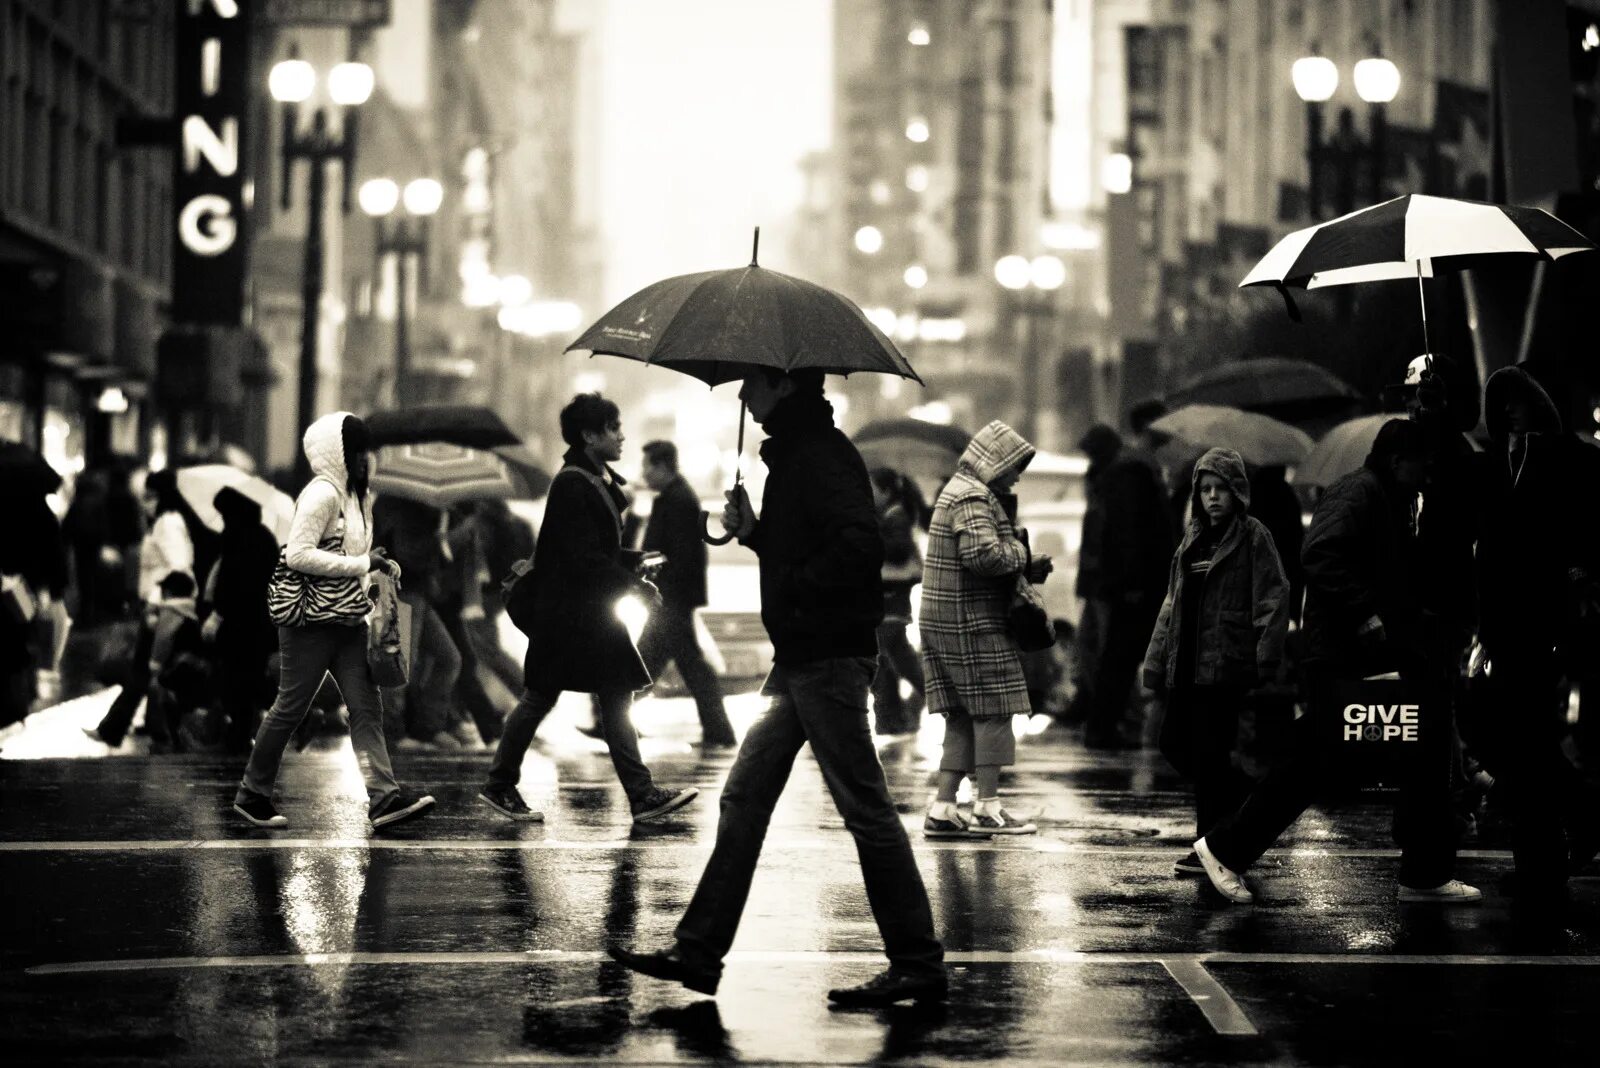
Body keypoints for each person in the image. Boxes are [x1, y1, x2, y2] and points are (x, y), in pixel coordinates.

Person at [608, 368, 946, 1007]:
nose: (742, 396)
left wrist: (794, 587)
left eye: (752, 386)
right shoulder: (796, 455)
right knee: (742, 797)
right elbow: (804, 545)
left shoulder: (822, 457)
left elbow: (856, 547)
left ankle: (918, 961)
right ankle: (699, 951)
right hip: (800, 658)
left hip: (825, 656)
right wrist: (755, 530)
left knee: (865, 810)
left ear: (784, 386)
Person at [1192, 420, 1481, 905]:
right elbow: (1320, 553)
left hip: (1366, 656)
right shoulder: (1359, 493)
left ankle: (1425, 873)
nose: (1425, 474)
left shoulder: (1389, 498)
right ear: (1396, 461)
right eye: (1419, 464)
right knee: (1319, 761)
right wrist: (1365, 612)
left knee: (1417, 749)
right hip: (1342, 658)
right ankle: (1225, 847)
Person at [480, 393, 698, 825]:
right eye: (612, 428)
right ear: (589, 435)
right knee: (541, 697)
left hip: (586, 614)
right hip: (568, 617)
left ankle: (641, 794)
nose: (621, 435)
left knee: (611, 696)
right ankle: (500, 785)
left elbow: (594, 551)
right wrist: (635, 585)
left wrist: (633, 560)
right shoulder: (573, 483)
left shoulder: (592, 478)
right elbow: (581, 558)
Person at [232, 411, 434, 832]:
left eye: (366, 450)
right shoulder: (322, 494)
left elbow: (350, 557)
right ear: (336, 454)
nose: (366, 459)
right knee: (291, 706)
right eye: (357, 450)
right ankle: (252, 793)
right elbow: (296, 555)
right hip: (310, 620)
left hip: (348, 618)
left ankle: (382, 797)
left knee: (365, 706)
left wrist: (378, 567)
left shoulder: (356, 498)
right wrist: (361, 561)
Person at [1474, 366, 1600, 907]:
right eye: (1502, 401)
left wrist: (1576, 573)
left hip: (1543, 624)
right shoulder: (1501, 459)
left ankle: (1542, 863)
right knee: (1519, 743)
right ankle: (1578, 828)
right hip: (1504, 624)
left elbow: (1579, 533)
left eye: (1519, 400)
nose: (1509, 410)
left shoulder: (1566, 459)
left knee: (1526, 742)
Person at [1142, 448, 1289, 874]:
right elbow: (1171, 605)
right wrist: (1154, 661)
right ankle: (1245, 796)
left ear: (1238, 492)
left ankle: (1210, 845)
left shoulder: (1253, 536)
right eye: (1205, 490)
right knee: (1174, 744)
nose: (1213, 498)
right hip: (1185, 665)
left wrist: (1266, 656)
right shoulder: (1192, 538)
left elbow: (1272, 597)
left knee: (1209, 757)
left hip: (1225, 666)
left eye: (1221, 489)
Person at [919, 421, 1052, 837]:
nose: (1016, 476)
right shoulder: (973, 495)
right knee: (994, 709)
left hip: (950, 616)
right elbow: (983, 556)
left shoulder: (960, 491)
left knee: (961, 715)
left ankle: (943, 808)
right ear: (993, 460)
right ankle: (987, 807)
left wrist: (1023, 562)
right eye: (1013, 466)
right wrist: (1023, 553)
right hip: (969, 619)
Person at [1075, 424, 1176, 748]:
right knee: (1122, 656)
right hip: (1136, 585)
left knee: (1119, 656)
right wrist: (1133, 583)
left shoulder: (1123, 474)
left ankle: (1106, 726)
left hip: (1127, 583)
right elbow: (1131, 534)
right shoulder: (1134, 475)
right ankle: (1106, 727)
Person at [636, 439, 737, 748]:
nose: (644, 473)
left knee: (646, 662)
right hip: (671, 597)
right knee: (671, 663)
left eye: (647, 466)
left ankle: (607, 718)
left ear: (663, 466)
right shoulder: (673, 496)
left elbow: (678, 556)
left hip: (671, 598)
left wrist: (659, 590)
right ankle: (718, 731)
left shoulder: (678, 500)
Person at [86, 468, 195, 748]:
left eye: (151, 495)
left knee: (142, 669)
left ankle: (115, 728)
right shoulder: (163, 522)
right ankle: (151, 726)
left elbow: (178, 566)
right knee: (148, 669)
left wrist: (155, 604)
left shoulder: (167, 523)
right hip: (158, 604)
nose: (146, 501)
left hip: (161, 606)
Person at [202, 487, 281, 753]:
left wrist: (217, 613)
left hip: (240, 625)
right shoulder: (264, 537)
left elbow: (231, 582)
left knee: (238, 680)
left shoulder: (237, 538)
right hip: (261, 623)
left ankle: (239, 734)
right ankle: (242, 731)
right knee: (250, 677)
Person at [2, 471, 68, 731]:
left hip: (10, 587)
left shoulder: (7, 512)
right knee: (23, 642)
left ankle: (14, 701)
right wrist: (53, 590)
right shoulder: (43, 515)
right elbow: (55, 555)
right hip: (28, 589)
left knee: (12, 645)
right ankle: (18, 702)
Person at [869, 466, 928, 737]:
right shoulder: (890, 514)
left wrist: (872, 534)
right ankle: (894, 716)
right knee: (898, 658)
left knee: (880, 658)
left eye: (872, 487)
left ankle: (889, 717)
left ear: (886, 490)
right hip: (889, 601)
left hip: (891, 600)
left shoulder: (896, 516)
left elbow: (897, 551)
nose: (868, 492)